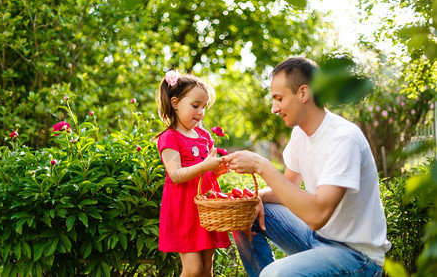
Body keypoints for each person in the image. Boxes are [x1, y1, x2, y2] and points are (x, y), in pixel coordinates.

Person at [223, 57, 391, 276]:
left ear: (303, 93)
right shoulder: (300, 134)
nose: (274, 108)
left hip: (357, 257)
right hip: (317, 239)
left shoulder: (343, 139)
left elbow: (317, 215)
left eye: (279, 98)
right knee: (248, 213)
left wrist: (261, 165)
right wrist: (255, 198)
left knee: (274, 275)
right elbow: (287, 188)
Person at [155, 70, 231, 277]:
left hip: (205, 208)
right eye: (195, 105)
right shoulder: (169, 138)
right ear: (175, 102)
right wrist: (205, 166)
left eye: (204, 107)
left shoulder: (204, 135)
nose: (200, 112)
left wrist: (216, 172)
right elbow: (176, 175)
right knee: (193, 269)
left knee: (207, 267)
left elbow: (204, 172)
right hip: (184, 210)